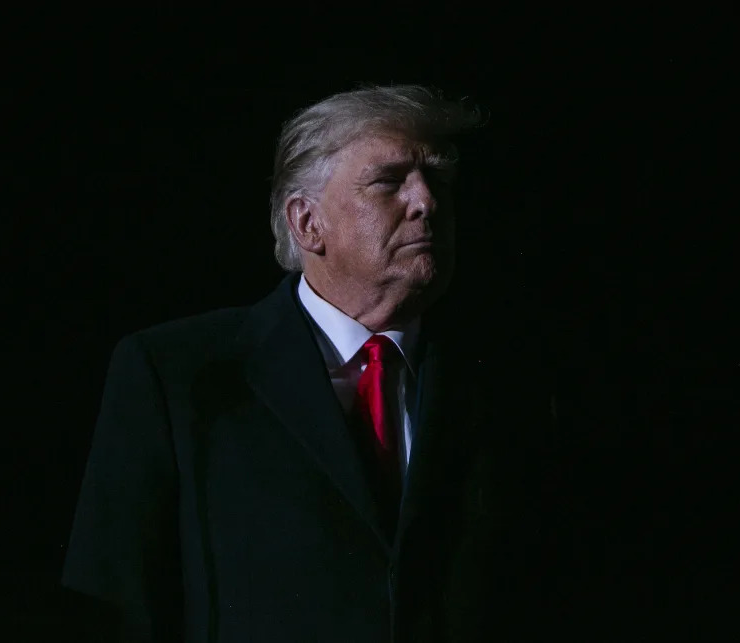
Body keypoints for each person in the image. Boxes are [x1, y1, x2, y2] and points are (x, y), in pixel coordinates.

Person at [61, 84, 555, 642]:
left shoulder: (508, 381)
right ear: (306, 223)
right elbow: (115, 603)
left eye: (439, 181)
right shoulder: (180, 375)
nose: (427, 202)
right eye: (390, 181)